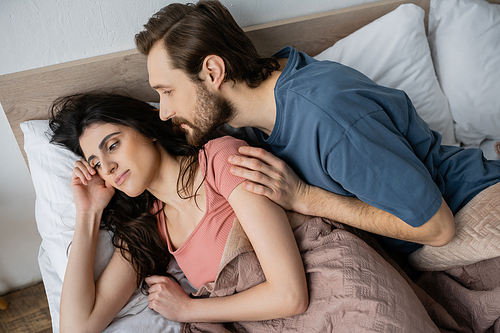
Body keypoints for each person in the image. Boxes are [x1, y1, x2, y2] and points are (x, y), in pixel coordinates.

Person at [135, 0, 500, 253]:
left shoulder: (329, 118)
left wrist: (305, 198)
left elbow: (436, 227)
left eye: (167, 92)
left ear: (213, 72)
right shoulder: (253, 103)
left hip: (466, 204)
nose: (164, 111)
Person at [49, 93, 308, 333]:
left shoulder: (221, 160)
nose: (107, 167)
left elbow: (291, 295)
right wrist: (89, 213)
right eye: (95, 163)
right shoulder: (150, 227)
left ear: (146, 129)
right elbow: (77, 328)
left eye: (113, 145)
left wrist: (187, 309)